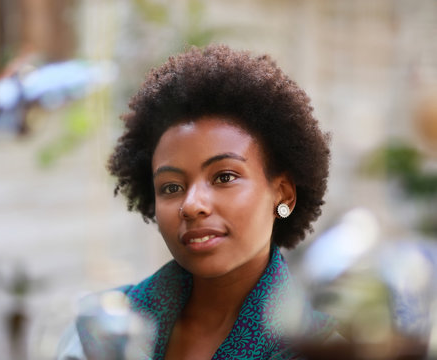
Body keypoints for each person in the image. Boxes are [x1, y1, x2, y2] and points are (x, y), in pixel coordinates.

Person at [58, 44, 336, 360]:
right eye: (171, 187)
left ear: (283, 192)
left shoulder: (320, 349)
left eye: (224, 177)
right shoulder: (101, 333)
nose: (191, 205)